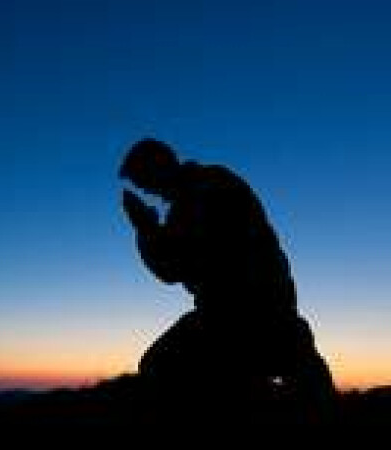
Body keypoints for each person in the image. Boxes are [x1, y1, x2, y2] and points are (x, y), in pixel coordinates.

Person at [119, 138, 336, 422]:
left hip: (241, 312)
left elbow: (175, 267)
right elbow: (175, 266)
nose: (147, 190)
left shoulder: (205, 190)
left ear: (158, 168)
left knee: (161, 368)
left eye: (144, 181)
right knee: (291, 370)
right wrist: (150, 230)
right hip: (251, 308)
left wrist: (147, 229)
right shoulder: (200, 191)